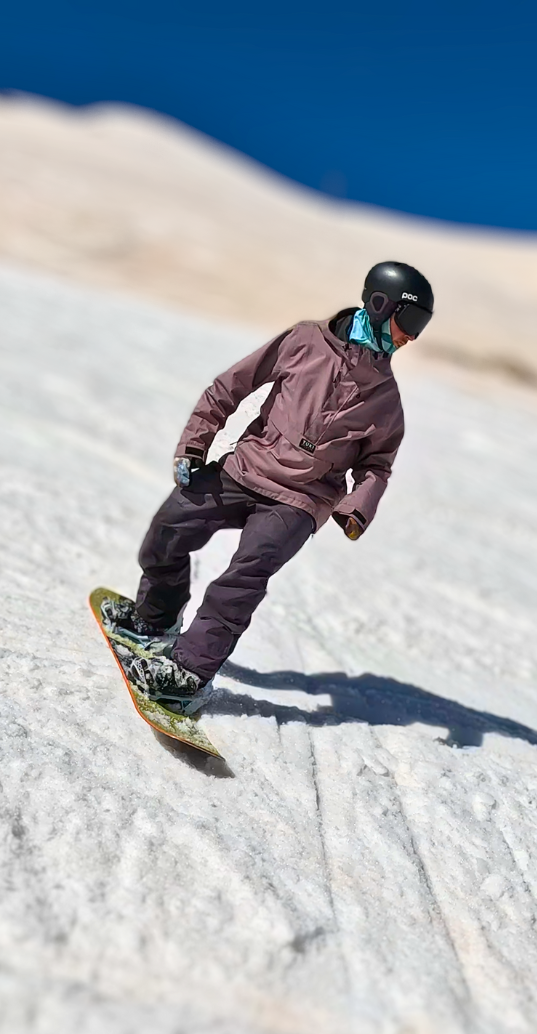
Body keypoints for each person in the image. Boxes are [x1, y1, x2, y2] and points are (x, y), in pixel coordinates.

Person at [102, 261, 434, 713]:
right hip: (246, 467)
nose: (411, 336)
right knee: (169, 528)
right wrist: (194, 445)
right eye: (411, 321)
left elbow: (378, 465)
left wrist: (357, 507)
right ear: (380, 304)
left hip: (301, 499)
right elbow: (231, 386)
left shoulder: (385, 399)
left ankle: (189, 673)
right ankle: (155, 620)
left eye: (421, 327)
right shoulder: (304, 340)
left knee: (242, 577)